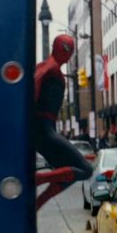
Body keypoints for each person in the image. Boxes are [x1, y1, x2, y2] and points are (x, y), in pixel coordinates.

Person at [33, 35, 93, 211]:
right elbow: (36, 83)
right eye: (67, 49)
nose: (68, 55)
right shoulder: (50, 68)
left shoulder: (50, 68)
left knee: (69, 173)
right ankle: (38, 180)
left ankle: (38, 202)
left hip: (44, 128)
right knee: (85, 170)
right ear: (58, 47)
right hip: (43, 129)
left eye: (71, 51)